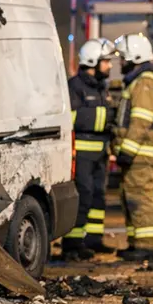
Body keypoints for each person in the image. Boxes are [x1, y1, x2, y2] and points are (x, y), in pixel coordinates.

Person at [112, 33, 153, 265]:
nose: (121, 63)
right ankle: (137, 244)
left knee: (141, 199)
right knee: (131, 198)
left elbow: (140, 121)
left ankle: (147, 247)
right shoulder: (140, 81)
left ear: (135, 57)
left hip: (141, 153)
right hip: (139, 153)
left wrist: (127, 149)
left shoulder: (145, 82)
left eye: (124, 58)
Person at [61, 38, 117, 260]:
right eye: (106, 62)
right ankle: (72, 244)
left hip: (101, 152)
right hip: (82, 152)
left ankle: (93, 239)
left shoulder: (101, 87)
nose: (110, 66)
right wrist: (107, 116)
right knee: (83, 196)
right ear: (93, 62)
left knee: (98, 196)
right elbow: (72, 118)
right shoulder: (75, 86)